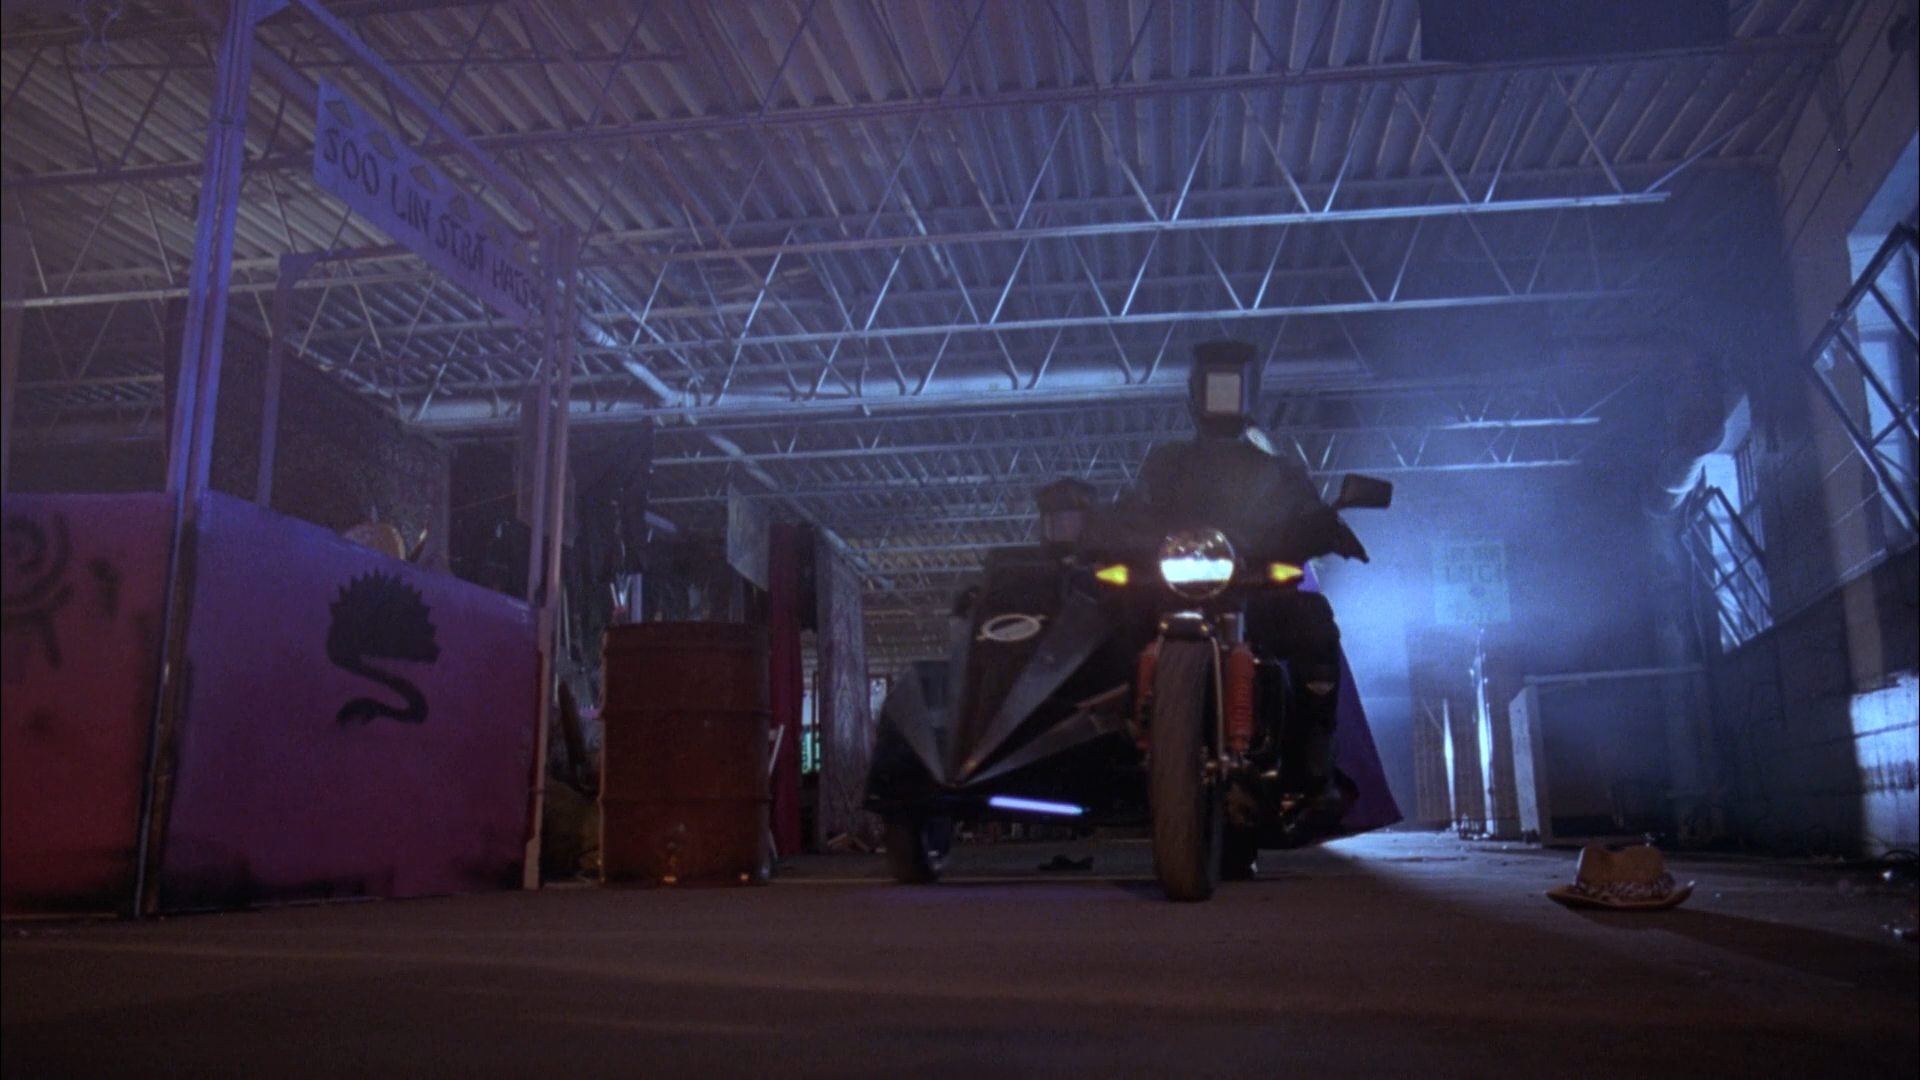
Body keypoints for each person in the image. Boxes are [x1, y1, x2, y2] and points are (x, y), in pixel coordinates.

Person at [1131, 339, 1367, 844]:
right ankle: (1115, 749)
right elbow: (1134, 510)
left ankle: (1314, 769)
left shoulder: (1277, 470)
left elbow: (1307, 511)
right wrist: (1100, 528)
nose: (1222, 397)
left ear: (1250, 393)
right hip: (1173, 593)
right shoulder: (1164, 463)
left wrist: (1329, 524)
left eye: (1232, 385)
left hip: (1254, 595)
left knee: (1313, 626)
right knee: (1107, 623)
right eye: (1213, 385)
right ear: (1194, 393)